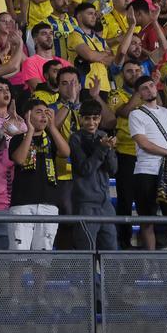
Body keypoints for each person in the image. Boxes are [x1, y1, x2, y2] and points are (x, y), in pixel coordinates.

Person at [128, 74, 167, 250]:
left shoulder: (165, 112)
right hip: (146, 171)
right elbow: (144, 144)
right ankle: (151, 262)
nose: (149, 90)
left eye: (151, 86)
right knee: (147, 220)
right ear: (139, 94)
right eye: (144, 88)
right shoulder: (135, 114)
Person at [8, 98, 69, 250]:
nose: (43, 116)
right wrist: (29, 131)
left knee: (43, 258)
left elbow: (65, 152)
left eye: (46, 113)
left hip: (48, 204)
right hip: (22, 204)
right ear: (27, 115)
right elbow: (20, 159)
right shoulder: (17, 139)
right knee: (17, 257)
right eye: (39, 112)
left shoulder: (51, 138)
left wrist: (52, 126)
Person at [69, 99, 118, 250]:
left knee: (110, 252)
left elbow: (113, 169)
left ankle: (108, 275)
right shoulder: (75, 139)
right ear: (80, 119)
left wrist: (109, 150)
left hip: (106, 204)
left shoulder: (103, 136)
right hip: (85, 205)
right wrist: (103, 149)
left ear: (100, 119)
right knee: (87, 252)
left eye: (95, 118)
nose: (91, 122)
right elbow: (85, 169)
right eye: (87, 118)